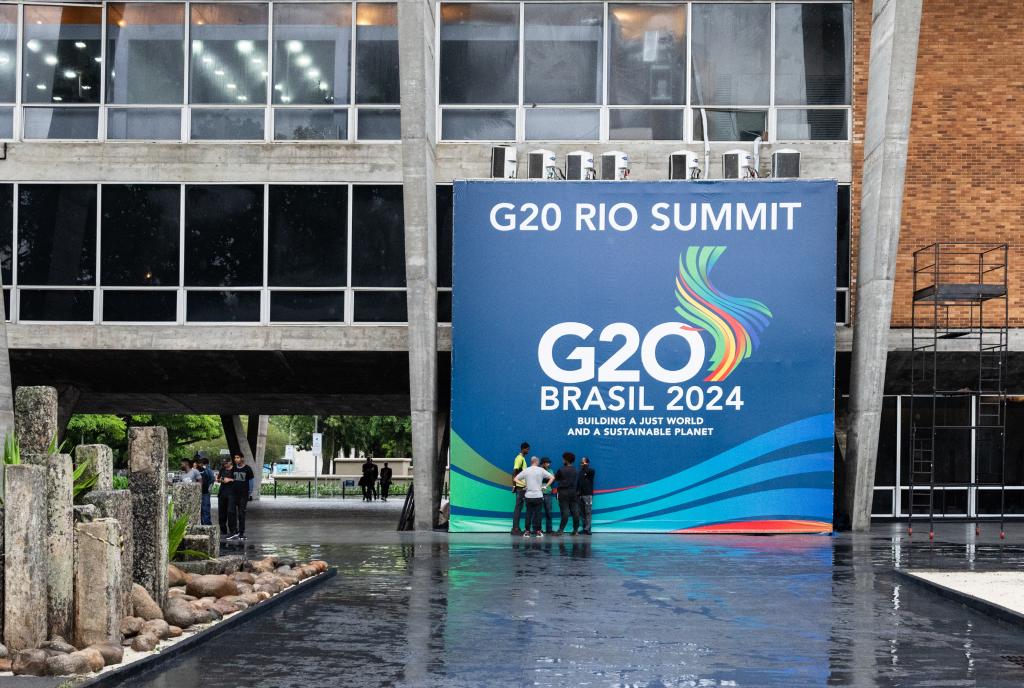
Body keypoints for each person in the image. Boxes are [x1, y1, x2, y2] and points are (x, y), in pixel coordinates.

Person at [517, 456, 554, 537]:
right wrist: (545, 486)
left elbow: (516, 479)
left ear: (531, 461)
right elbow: (552, 477)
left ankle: (527, 532)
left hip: (528, 496)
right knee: (538, 514)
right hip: (538, 495)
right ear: (537, 462)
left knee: (528, 514)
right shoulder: (541, 470)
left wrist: (525, 484)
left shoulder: (526, 470)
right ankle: (538, 532)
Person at [225, 453, 254, 541]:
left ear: (242, 458)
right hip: (233, 494)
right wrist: (228, 479)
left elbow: (251, 481)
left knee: (241, 514)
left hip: (243, 495)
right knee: (230, 512)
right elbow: (230, 479)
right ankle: (233, 532)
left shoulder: (247, 468)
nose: (236, 459)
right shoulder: (234, 468)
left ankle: (241, 533)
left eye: (237, 457)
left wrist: (250, 493)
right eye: (235, 458)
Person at [555, 452, 581, 535]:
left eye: (563, 459)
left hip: (563, 492)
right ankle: (575, 530)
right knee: (575, 512)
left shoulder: (561, 469)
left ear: (566, 460)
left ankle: (561, 530)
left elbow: (556, 478)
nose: (562, 460)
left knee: (565, 512)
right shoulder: (575, 470)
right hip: (573, 492)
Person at [510, 442, 530, 534]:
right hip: (520, 487)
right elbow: (514, 472)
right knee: (518, 508)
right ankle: (515, 529)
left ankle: (516, 528)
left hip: (522, 487)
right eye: (527, 449)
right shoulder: (519, 458)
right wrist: (514, 485)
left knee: (519, 507)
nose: (528, 451)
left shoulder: (522, 459)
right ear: (523, 449)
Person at [577, 456, 596, 535]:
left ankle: (588, 529)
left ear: (587, 463)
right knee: (582, 512)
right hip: (581, 495)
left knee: (588, 512)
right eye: (581, 462)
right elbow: (578, 483)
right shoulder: (580, 472)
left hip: (588, 495)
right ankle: (584, 528)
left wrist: (585, 465)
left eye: (583, 462)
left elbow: (588, 471)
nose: (581, 464)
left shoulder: (591, 471)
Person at [216, 458, 233, 539]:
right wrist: (222, 479)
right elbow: (218, 479)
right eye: (223, 463)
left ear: (230, 462)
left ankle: (232, 530)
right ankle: (223, 530)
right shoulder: (222, 469)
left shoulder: (234, 470)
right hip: (222, 493)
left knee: (230, 512)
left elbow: (238, 480)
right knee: (222, 513)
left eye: (226, 463)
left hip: (231, 493)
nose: (225, 465)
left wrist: (229, 479)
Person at [197, 456, 215, 526]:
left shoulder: (207, 470)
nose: (199, 464)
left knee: (205, 509)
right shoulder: (202, 470)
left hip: (205, 492)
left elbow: (212, 479)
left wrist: (209, 489)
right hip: (203, 492)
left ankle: (207, 525)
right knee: (204, 509)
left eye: (201, 463)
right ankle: (204, 524)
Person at [539, 457, 555, 534]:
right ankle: (538, 529)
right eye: (547, 463)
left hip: (548, 493)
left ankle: (549, 529)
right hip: (538, 494)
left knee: (548, 512)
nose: (548, 464)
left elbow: (552, 479)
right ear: (543, 463)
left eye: (549, 463)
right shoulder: (538, 470)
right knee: (538, 512)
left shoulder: (550, 470)